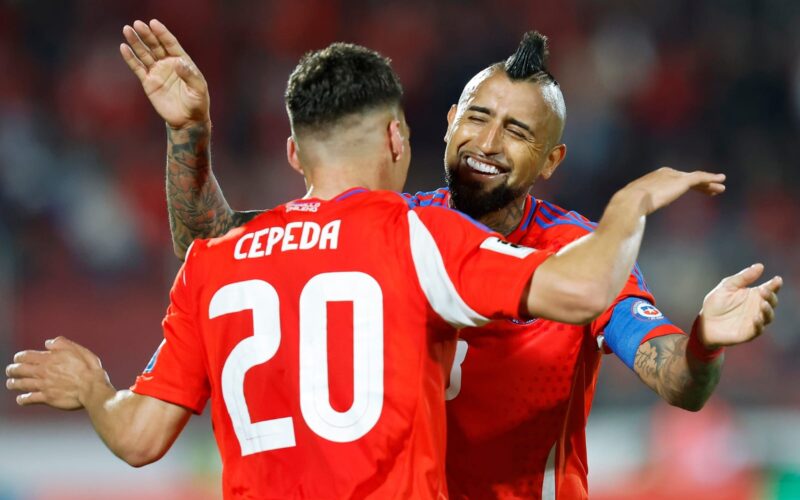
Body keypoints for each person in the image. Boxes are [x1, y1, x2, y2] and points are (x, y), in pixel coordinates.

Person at [4, 21, 729, 500]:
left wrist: (703, 340)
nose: (487, 141)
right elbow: (218, 241)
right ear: (433, 127)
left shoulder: (573, 250)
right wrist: (189, 135)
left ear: (551, 158)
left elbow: (675, 376)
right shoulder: (401, 229)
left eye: (516, 130)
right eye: (477, 116)